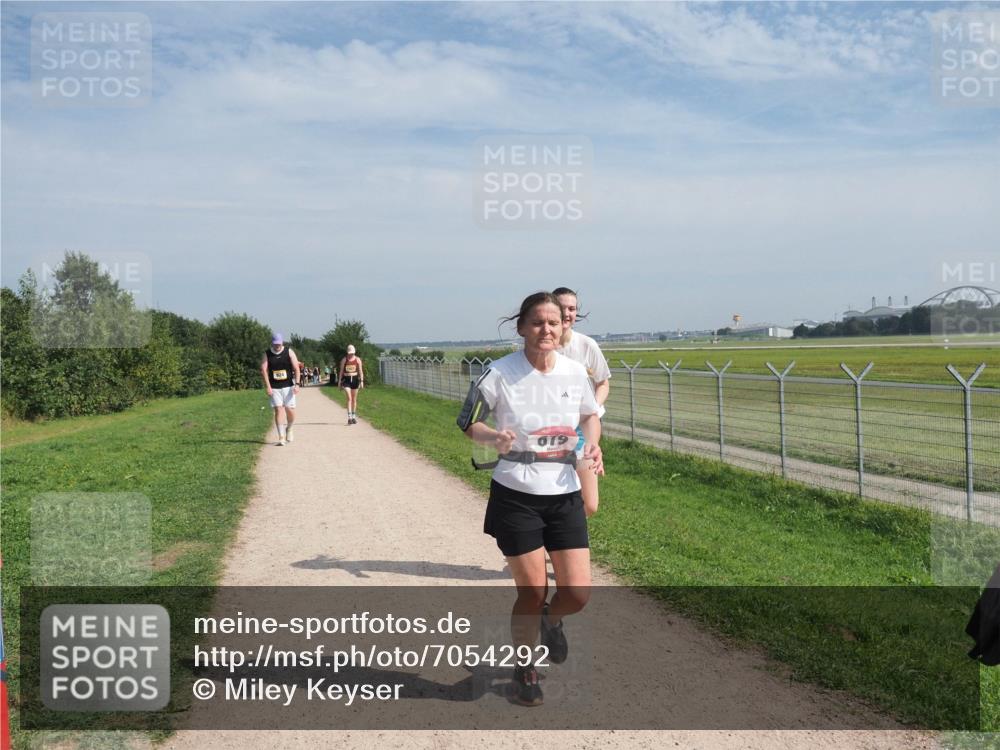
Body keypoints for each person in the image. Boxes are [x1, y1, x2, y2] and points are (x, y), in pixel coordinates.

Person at [457, 291, 603, 706]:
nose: (546, 330)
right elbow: (467, 422)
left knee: (577, 593)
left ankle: (552, 621)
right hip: (516, 494)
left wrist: (591, 445)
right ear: (521, 327)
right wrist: (493, 437)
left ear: (564, 328)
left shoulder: (575, 373)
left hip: (563, 491)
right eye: (537, 322)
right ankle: (525, 668)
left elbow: (590, 416)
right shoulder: (499, 373)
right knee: (533, 590)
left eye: (553, 323)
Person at [553, 287, 611, 517]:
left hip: (583, 429)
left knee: (589, 503)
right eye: (561, 307)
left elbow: (603, 382)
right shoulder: (544, 346)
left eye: (572, 308)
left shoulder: (587, 345)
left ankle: (563, 538)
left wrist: (593, 409)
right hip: (551, 429)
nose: (567, 313)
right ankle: (558, 545)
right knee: (554, 493)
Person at [260, 332, 301, 446]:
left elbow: (297, 368)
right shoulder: (267, 354)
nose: (277, 346)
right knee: (278, 410)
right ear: (272, 343)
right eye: (275, 344)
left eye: (279, 343)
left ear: (282, 342)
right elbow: (263, 370)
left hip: (288, 386)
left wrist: (297, 384)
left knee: (290, 410)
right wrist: (268, 386)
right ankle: (281, 437)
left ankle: (289, 428)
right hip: (275, 387)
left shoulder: (289, 351)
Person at [338, 345, 365, 424]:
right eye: (349, 353)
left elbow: (360, 371)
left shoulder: (358, 360)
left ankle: (353, 416)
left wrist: (362, 381)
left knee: (354, 399)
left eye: (352, 353)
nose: (351, 355)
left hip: (355, 380)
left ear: (354, 352)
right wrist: (339, 381)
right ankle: (349, 417)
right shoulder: (344, 360)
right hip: (346, 380)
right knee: (349, 398)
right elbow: (341, 371)